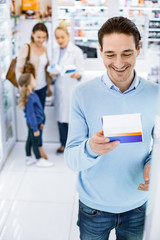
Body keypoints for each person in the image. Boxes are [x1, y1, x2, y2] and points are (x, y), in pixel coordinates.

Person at [64, 16, 159, 240]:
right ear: (100, 51)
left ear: (138, 49)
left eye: (127, 53)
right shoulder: (82, 94)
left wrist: (152, 163)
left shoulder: (155, 94)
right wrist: (91, 148)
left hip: (137, 206)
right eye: (110, 54)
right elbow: (71, 159)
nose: (118, 63)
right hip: (94, 209)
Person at [16, 22, 52, 160]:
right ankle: (38, 148)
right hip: (31, 90)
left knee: (40, 118)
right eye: (38, 37)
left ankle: (34, 148)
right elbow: (18, 70)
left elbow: (44, 70)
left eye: (44, 37)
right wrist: (24, 89)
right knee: (33, 121)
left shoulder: (44, 48)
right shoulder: (27, 48)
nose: (41, 40)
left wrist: (48, 86)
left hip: (42, 88)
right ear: (32, 34)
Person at [50, 26, 84, 154]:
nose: (60, 40)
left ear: (68, 36)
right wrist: (52, 71)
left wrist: (77, 74)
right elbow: (53, 67)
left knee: (72, 119)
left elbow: (81, 72)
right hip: (59, 88)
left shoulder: (76, 51)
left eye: (62, 37)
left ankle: (74, 146)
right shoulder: (55, 50)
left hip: (71, 88)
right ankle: (63, 144)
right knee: (61, 118)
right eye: (57, 38)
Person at [18, 73, 54, 167]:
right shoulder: (29, 98)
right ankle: (39, 159)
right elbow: (31, 115)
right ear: (29, 84)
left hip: (36, 123)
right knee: (35, 142)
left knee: (30, 140)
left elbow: (38, 111)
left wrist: (41, 122)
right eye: (33, 78)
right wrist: (35, 129)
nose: (35, 79)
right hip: (34, 124)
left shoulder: (33, 94)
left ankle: (28, 158)